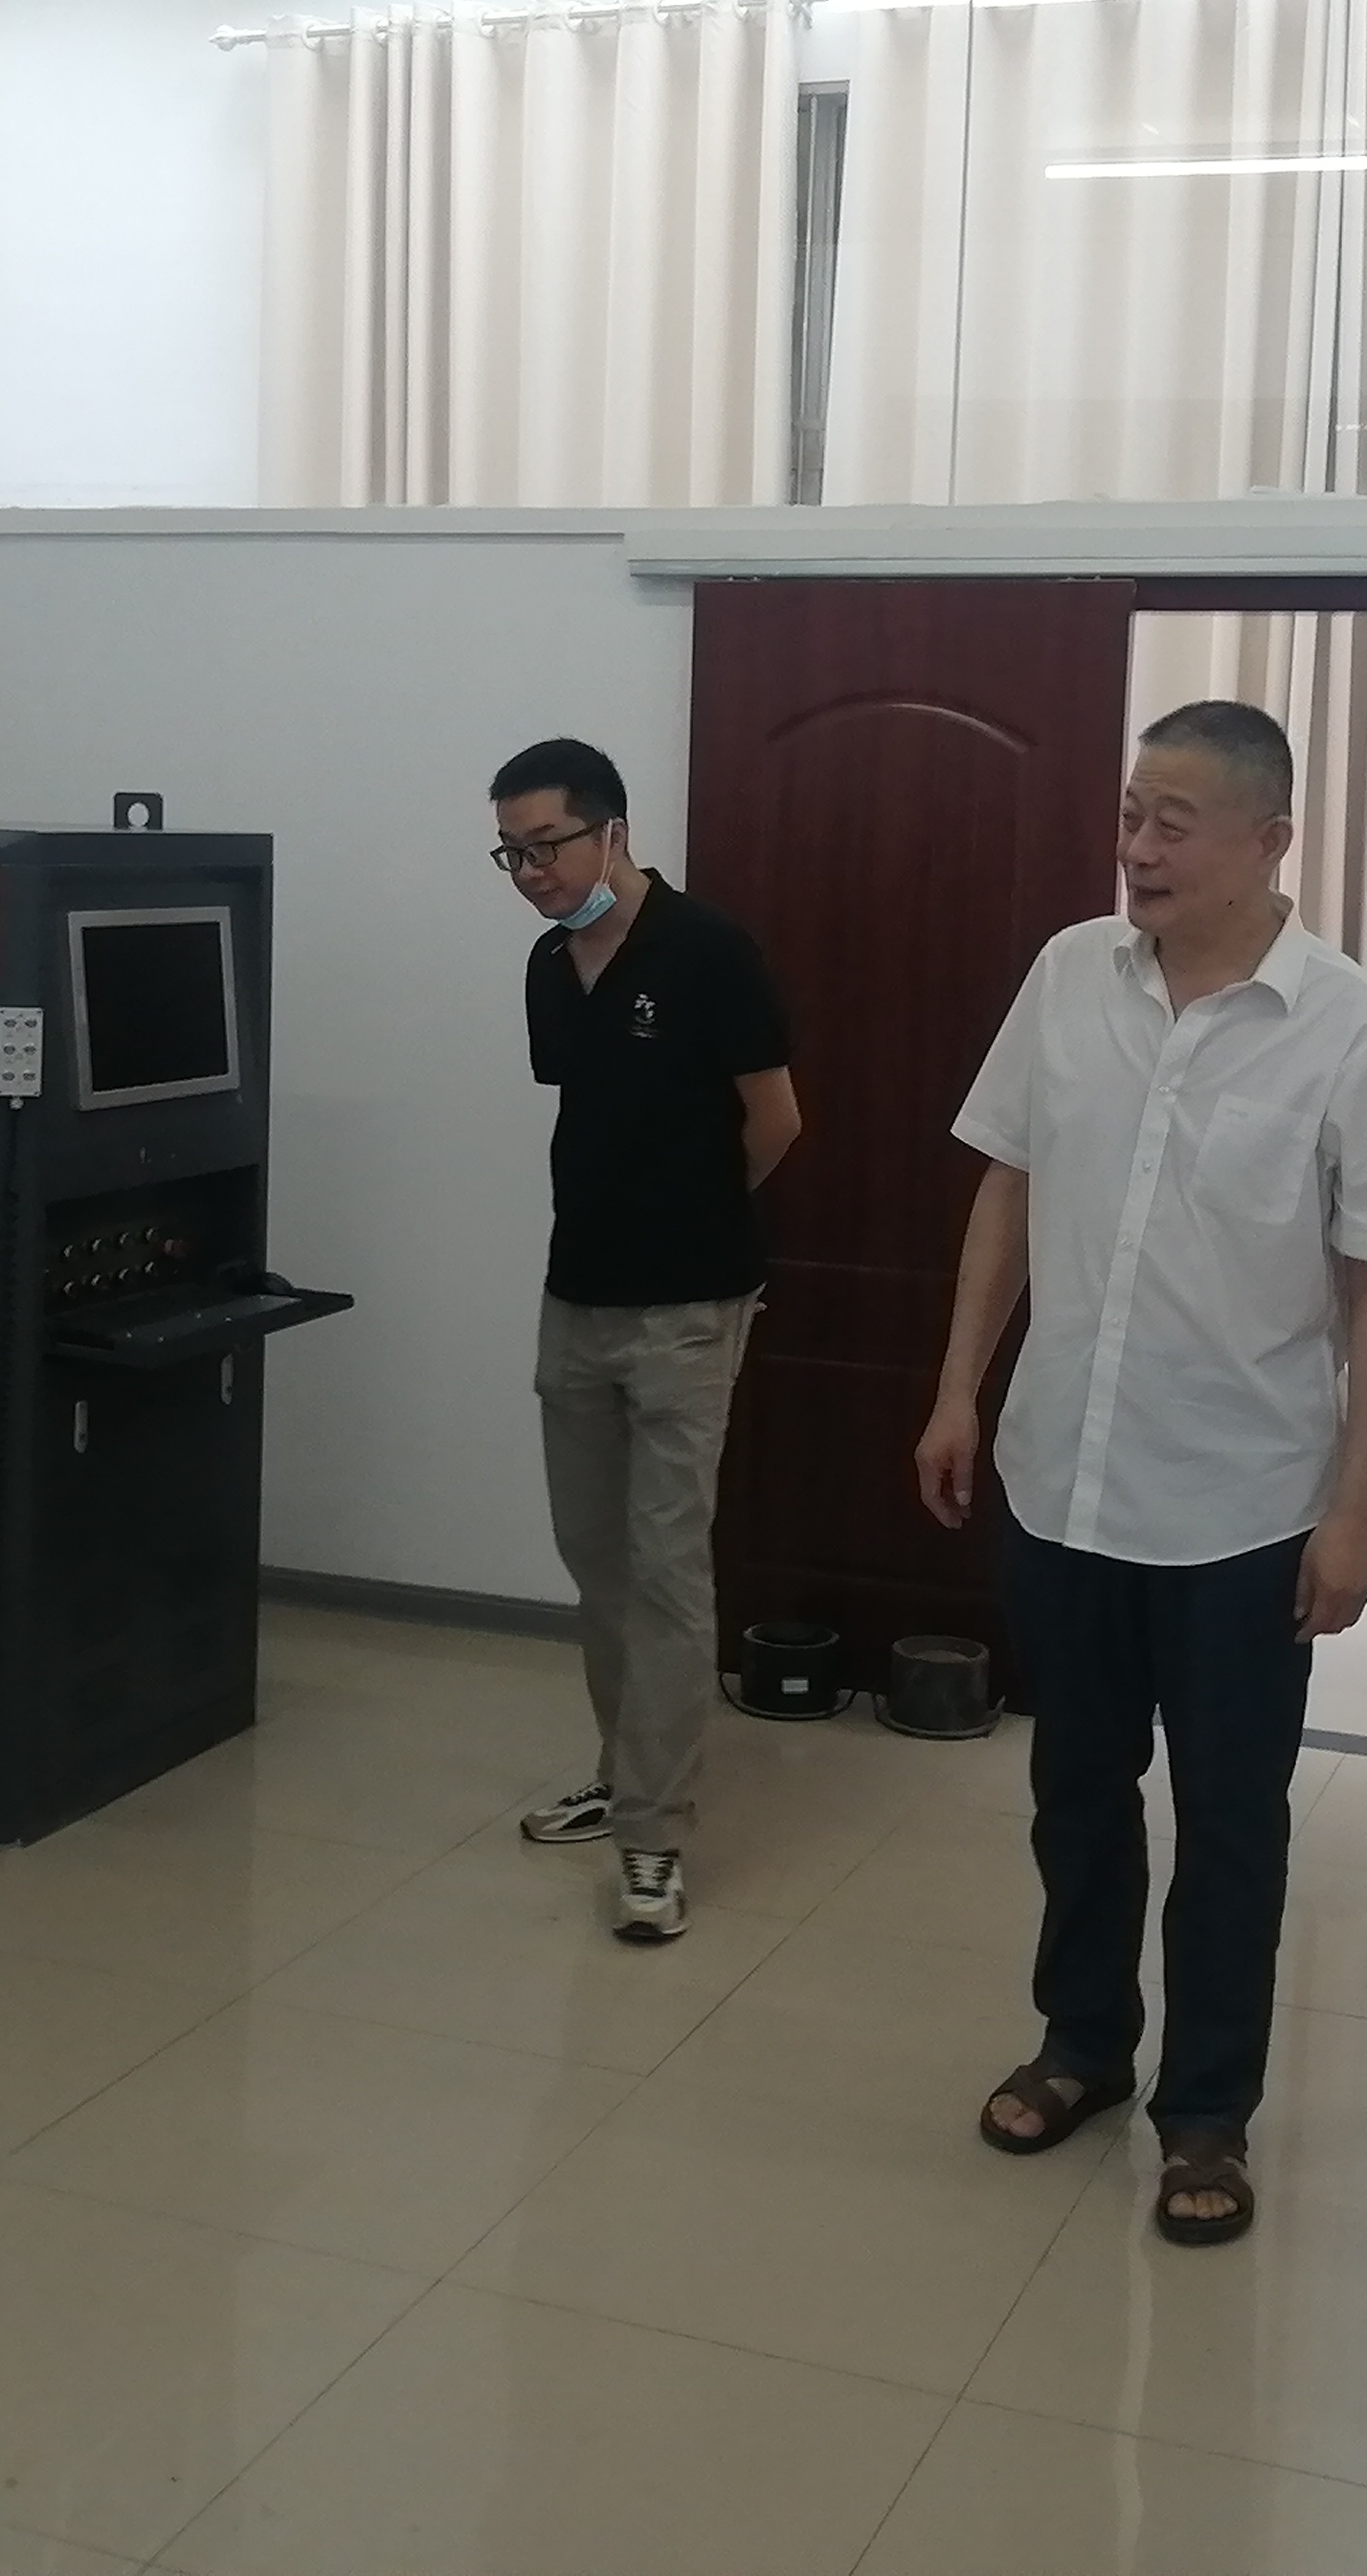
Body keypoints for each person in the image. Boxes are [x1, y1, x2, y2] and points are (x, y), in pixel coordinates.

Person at [914, 700, 1367, 2248]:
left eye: (1173, 822)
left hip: (1242, 1509)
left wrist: (1355, 1510)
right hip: (1062, 1476)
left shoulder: (1355, 1030)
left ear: (1270, 840)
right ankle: (1082, 2041)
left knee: (1230, 1821)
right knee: (1074, 1792)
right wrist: (957, 1390)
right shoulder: (1069, 974)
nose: (1136, 847)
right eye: (1131, 813)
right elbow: (1006, 1187)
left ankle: (1207, 2110)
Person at [492, 739, 802, 1945]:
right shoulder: (546, 965)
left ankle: (653, 1836)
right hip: (574, 1299)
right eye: (511, 854)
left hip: (686, 1311)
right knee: (597, 1561)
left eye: (546, 847)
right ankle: (620, 1771)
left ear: (612, 833)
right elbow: (591, 1115)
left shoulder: (708, 950)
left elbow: (775, 1121)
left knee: (667, 1571)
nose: (530, 874)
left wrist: (696, 1218)